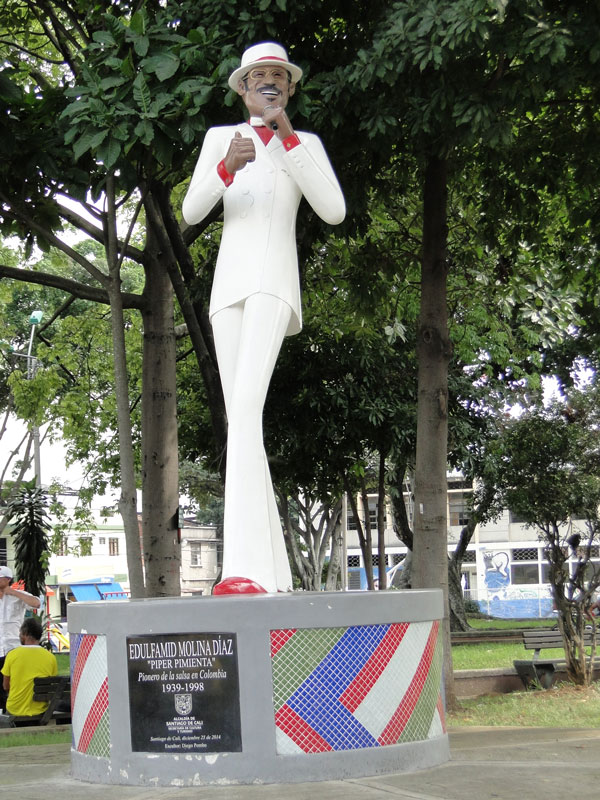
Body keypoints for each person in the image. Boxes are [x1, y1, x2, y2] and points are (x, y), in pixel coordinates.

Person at [182, 42, 345, 595]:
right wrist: (226, 167)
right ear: (243, 88)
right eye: (259, 77)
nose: (269, 84)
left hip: (275, 286)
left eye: (278, 76)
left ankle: (241, 572)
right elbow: (190, 210)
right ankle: (268, 571)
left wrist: (289, 140)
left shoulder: (306, 145)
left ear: (290, 88)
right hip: (227, 291)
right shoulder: (219, 141)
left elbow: (333, 209)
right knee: (241, 419)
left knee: (247, 408)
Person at [0, 565, 41, 711]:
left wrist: (14, 593)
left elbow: (36, 603)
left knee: (12, 683)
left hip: (13, 648)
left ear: (8, 579)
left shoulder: (18, 596)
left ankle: (11, 711)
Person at [1, 616, 57, 722]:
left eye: (20, 633)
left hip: (15, 709)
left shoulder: (12, 655)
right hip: (40, 710)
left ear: (25, 634)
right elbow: (50, 685)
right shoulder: (50, 658)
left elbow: (5, 685)